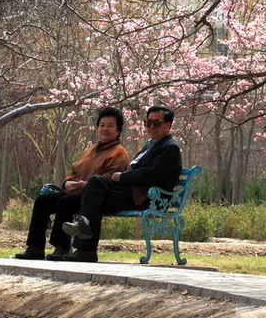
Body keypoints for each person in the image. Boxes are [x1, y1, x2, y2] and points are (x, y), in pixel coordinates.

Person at [61, 105, 182, 262]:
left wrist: (123, 177)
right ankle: (84, 241)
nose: (152, 126)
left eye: (157, 123)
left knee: (95, 194)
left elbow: (150, 173)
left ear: (168, 125)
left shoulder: (170, 147)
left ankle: (86, 246)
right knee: (95, 184)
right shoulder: (150, 145)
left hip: (148, 198)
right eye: (148, 122)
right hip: (129, 191)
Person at [14, 107, 130, 261]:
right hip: (75, 191)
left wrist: (85, 185)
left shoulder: (119, 153)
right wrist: (68, 182)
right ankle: (35, 247)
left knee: (65, 202)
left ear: (118, 130)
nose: (105, 129)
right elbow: (74, 169)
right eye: (102, 125)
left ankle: (61, 248)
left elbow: (110, 178)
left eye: (110, 125)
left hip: (94, 196)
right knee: (43, 201)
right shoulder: (90, 150)